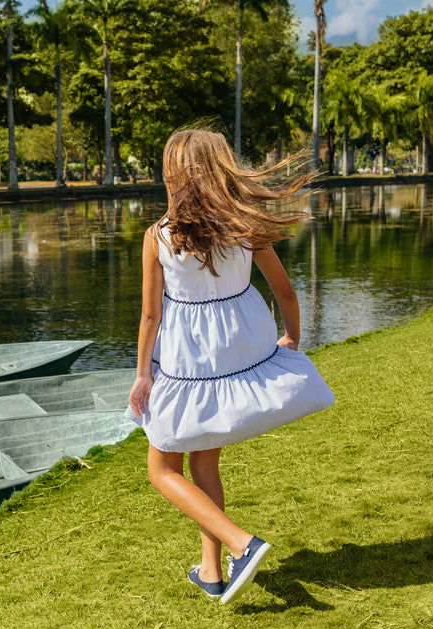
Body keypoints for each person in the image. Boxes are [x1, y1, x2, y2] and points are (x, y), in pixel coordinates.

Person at [128, 129, 335, 604]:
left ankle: (242, 546)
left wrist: (142, 374)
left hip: (187, 362)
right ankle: (210, 569)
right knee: (204, 460)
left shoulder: (158, 237)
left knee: (161, 468)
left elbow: (150, 315)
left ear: (172, 174)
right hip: (237, 352)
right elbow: (284, 290)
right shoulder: (244, 226)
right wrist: (292, 338)